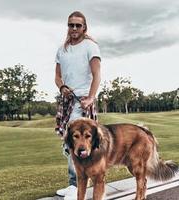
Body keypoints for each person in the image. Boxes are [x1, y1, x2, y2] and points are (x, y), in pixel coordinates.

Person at [54, 11, 101, 199]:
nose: (74, 28)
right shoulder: (61, 49)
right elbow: (57, 77)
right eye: (71, 25)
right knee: (67, 144)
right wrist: (62, 86)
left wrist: (91, 97)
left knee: (76, 143)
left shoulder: (90, 46)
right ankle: (73, 183)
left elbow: (97, 75)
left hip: (82, 102)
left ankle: (77, 186)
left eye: (78, 25)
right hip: (66, 101)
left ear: (84, 28)